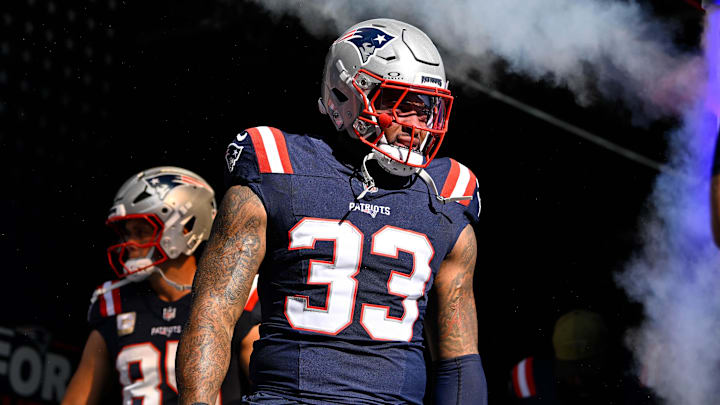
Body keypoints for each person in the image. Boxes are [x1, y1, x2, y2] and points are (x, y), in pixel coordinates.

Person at [177, 18, 487, 405]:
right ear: (344, 96)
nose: (416, 125)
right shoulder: (277, 165)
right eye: (397, 103)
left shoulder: (446, 193)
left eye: (424, 109)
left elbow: (458, 358)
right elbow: (213, 314)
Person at [62, 166, 261, 405]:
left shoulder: (233, 294)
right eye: (127, 233)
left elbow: (269, 385)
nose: (130, 243)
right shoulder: (114, 302)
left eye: (142, 231)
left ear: (186, 227)